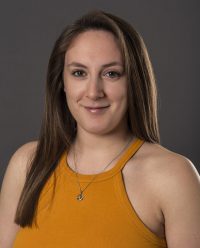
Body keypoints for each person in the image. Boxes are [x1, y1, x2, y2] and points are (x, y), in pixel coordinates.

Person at [0, 9, 200, 248]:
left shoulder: (174, 177)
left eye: (111, 73)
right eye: (79, 73)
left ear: (134, 82)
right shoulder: (27, 164)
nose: (94, 92)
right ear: (61, 82)